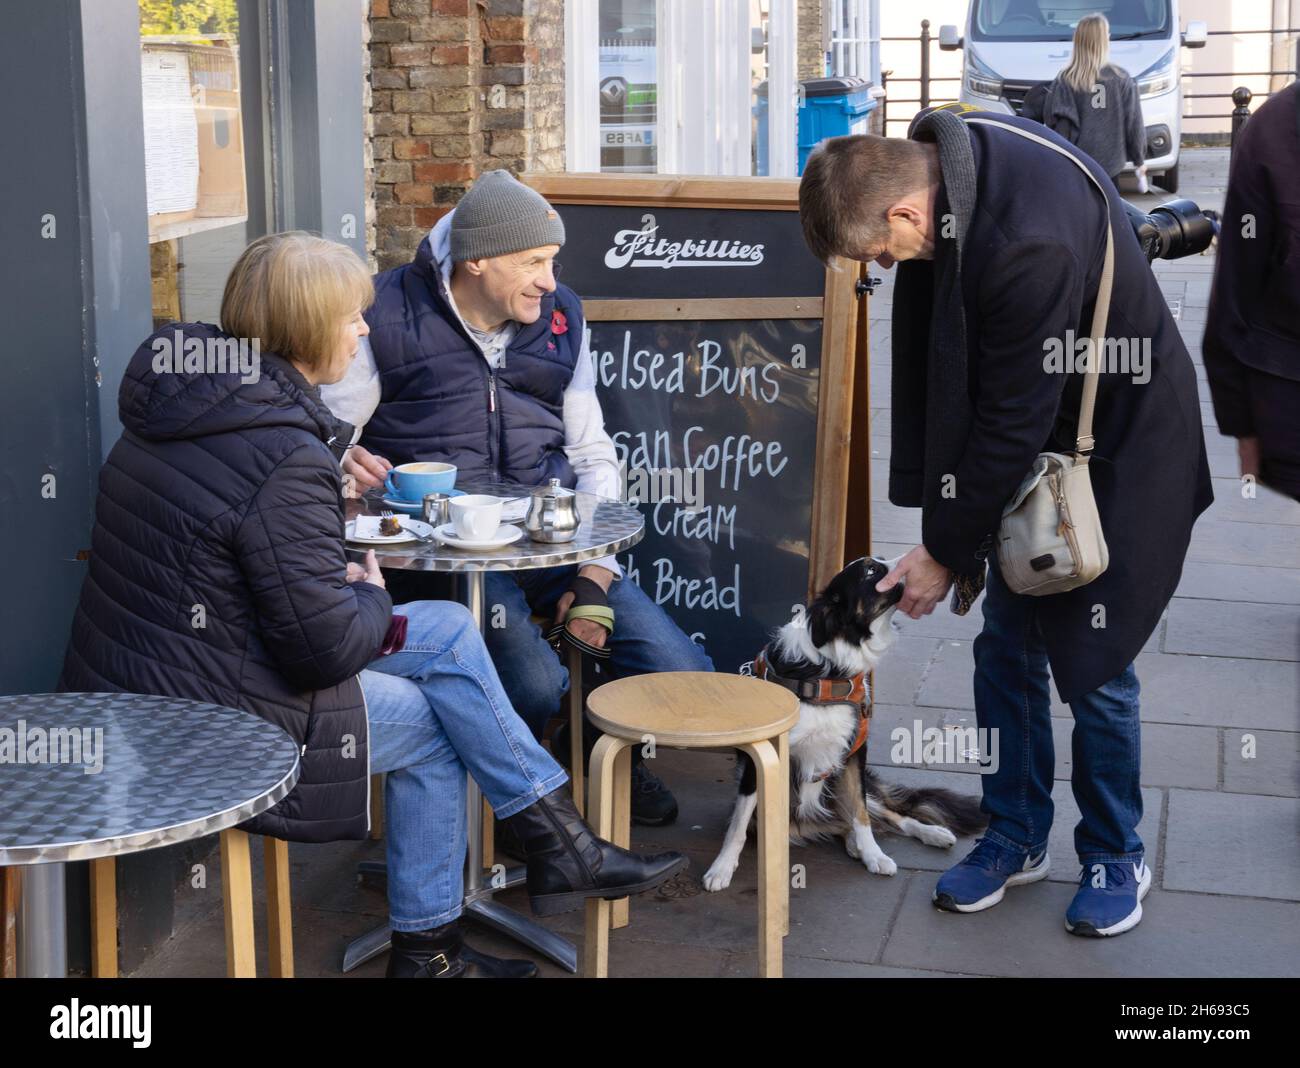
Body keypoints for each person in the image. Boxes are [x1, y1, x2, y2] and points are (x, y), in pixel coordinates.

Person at [58, 232, 685, 978]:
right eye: (351, 319)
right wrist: (369, 593)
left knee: (453, 626)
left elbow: (248, 554)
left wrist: (330, 495)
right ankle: (439, 948)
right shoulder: (283, 450)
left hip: (150, 674)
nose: (363, 332)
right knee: (441, 725)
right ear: (305, 326)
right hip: (215, 710)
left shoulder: (189, 403)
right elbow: (320, 648)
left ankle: (556, 842)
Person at [797, 109, 1211, 936]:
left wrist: (943, 551)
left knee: (1094, 660)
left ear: (907, 212)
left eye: (880, 252)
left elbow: (1010, 423)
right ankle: (1018, 832)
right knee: (1006, 648)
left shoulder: (1028, 243)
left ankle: (1115, 850)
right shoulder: (954, 161)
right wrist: (952, 532)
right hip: (1044, 449)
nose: (885, 267)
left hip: (1121, 447)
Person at [322, 170, 713, 827]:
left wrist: (594, 577)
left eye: (552, 262)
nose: (550, 282)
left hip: (550, 537)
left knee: (680, 673)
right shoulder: (384, 312)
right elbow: (332, 443)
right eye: (533, 262)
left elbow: (593, 457)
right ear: (477, 261)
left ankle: (586, 748)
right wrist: (346, 471)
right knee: (533, 683)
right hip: (443, 554)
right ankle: (515, 809)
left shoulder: (562, 318)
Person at [1204, 81, 1300, 502]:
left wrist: (1241, 423)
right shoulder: (1273, 128)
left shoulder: (1274, 126)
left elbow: (1234, 289)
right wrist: (1240, 420)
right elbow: (1236, 290)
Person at [1040, 13, 1147, 189]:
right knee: (1109, 211)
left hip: (1076, 163)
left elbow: (1057, 123)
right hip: (1111, 165)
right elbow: (1134, 123)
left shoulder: (1065, 79)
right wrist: (1139, 159)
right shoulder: (1121, 78)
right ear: (1104, 40)